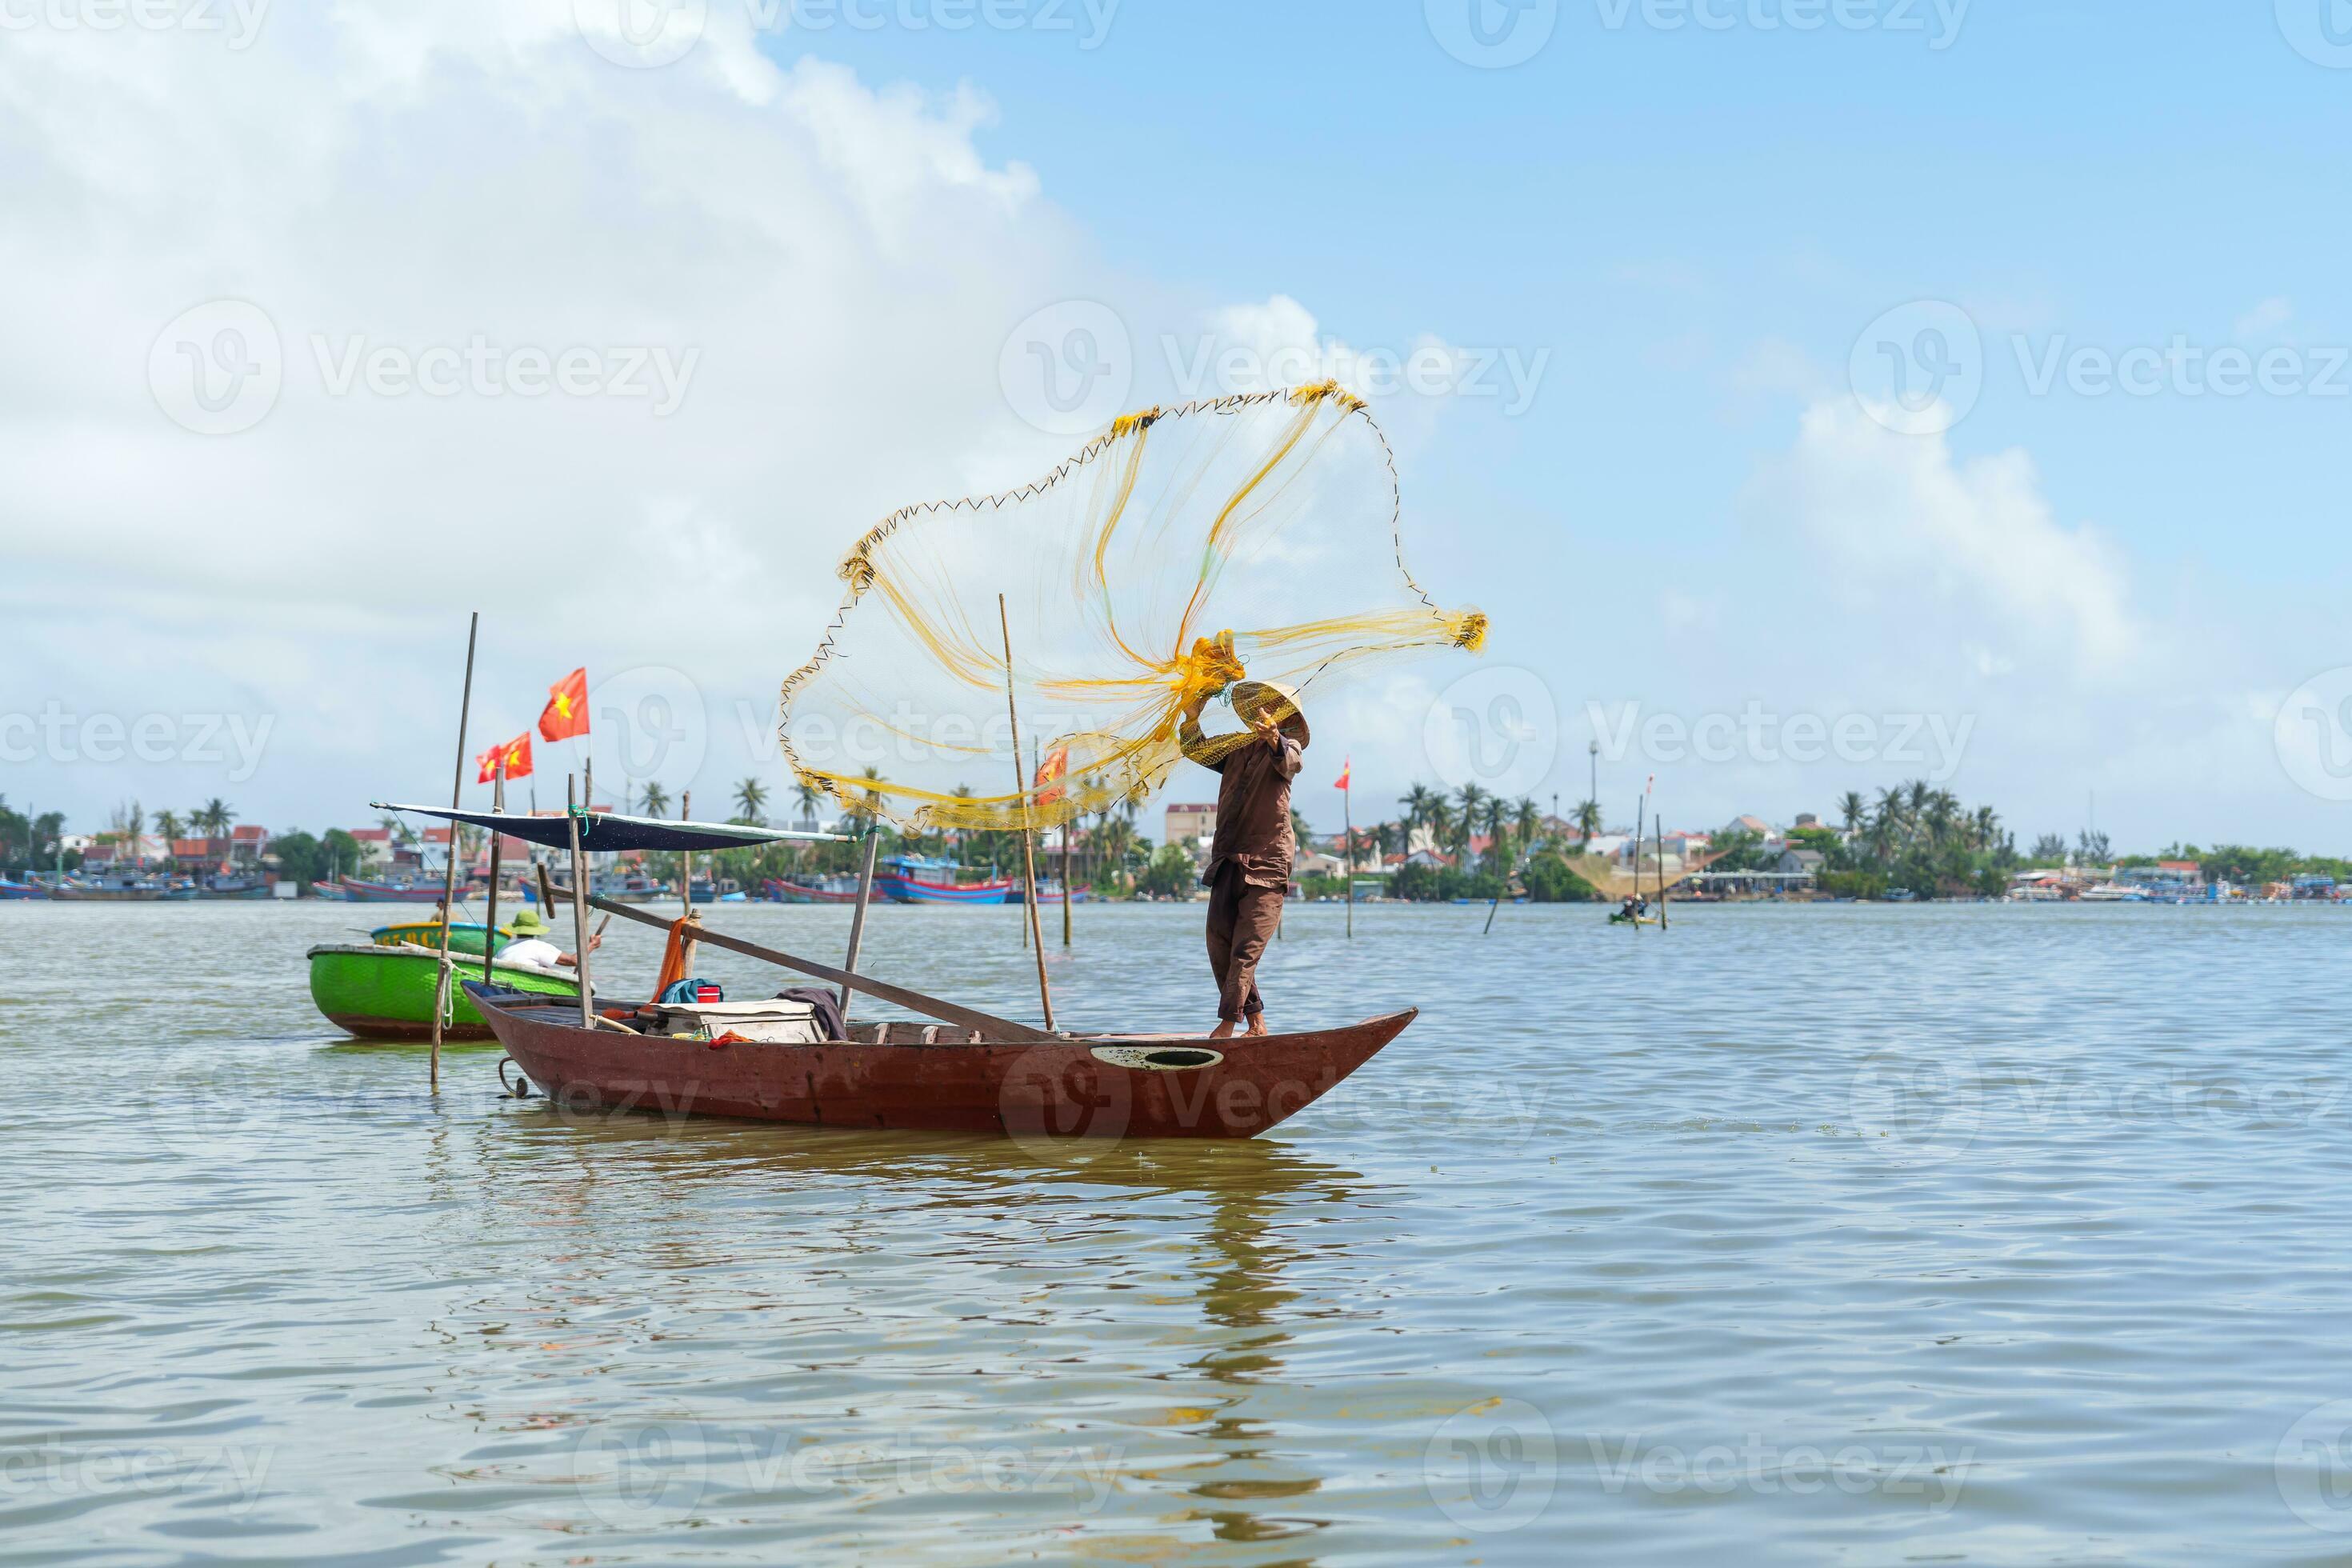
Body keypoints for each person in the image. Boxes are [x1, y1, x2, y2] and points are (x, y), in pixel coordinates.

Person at [1178, 678, 1307, 1038]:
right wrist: (1191, 716)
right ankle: (1257, 1024)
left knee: (1246, 951)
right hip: (1229, 862)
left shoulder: (1287, 748)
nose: (1262, 717)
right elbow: (1196, 749)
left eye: (1270, 712)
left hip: (1267, 867)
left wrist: (1274, 740)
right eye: (1259, 712)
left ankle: (1227, 1023)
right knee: (1219, 942)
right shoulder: (1236, 749)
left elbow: (1292, 762)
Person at [495, 906, 599, 970]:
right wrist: (592, 945)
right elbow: (574, 961)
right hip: (525, 988)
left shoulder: (505, 948)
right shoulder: (538, 946)